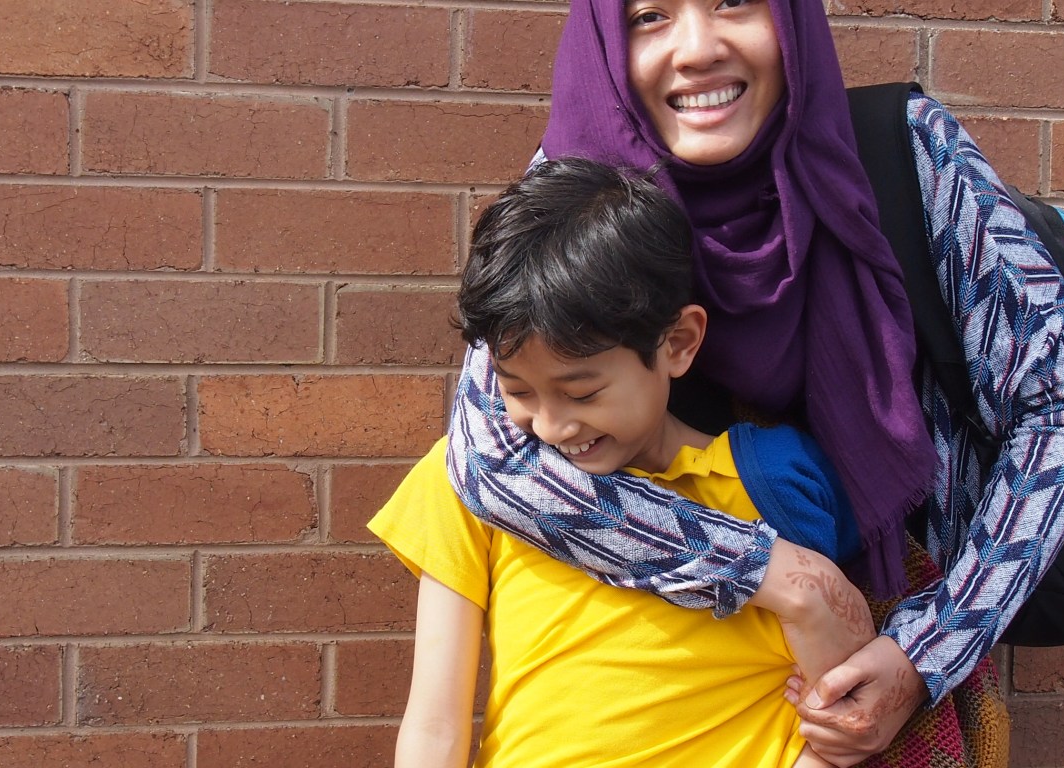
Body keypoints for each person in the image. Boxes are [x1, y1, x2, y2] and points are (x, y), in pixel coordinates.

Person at [441, 0, 1064, 762]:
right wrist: (771, 571)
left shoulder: (906, 157)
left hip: (889, 687)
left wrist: (926, 650)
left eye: (734, 1)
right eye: (650, 15)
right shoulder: (574, 189)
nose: (696, 49)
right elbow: (489, 459)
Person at [373, 156, 877, 767]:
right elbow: (434, 726)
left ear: (679, 343)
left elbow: (842, 713)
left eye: (582, 393)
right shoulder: (471, 482)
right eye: (518, 391)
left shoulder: (772, 480)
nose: (551, 427)